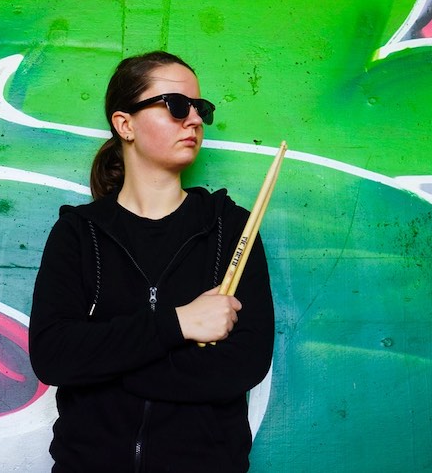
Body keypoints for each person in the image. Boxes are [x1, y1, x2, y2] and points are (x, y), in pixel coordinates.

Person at [29, 51, 275, 472]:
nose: (194, 120)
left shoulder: (232, 229)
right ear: (124, 124)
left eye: (200, 108)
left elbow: (243, 366)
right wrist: (178, 324)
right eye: (176, 105)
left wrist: (108, 364)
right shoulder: (79, 233)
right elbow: (53, 356)